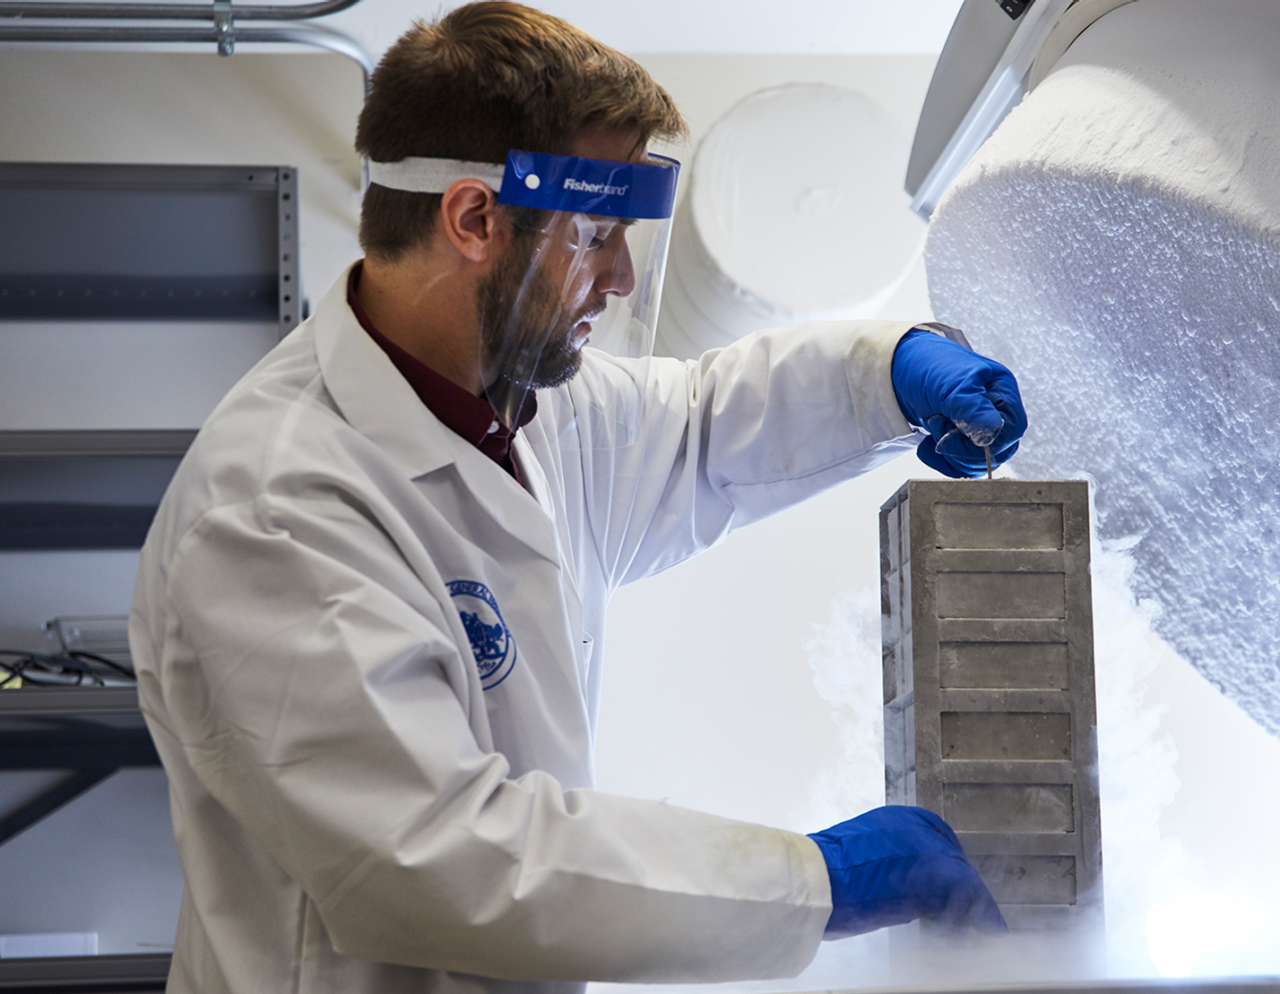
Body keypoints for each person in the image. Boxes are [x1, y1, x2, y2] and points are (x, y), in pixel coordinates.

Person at [129, 5, 1026, 993]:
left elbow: (696, 425)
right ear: (473, 218)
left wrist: (887, 377)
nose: (622, 274)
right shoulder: (274, 505)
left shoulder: (521, 401)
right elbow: (446, 859)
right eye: (597, 233)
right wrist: (820, 881)